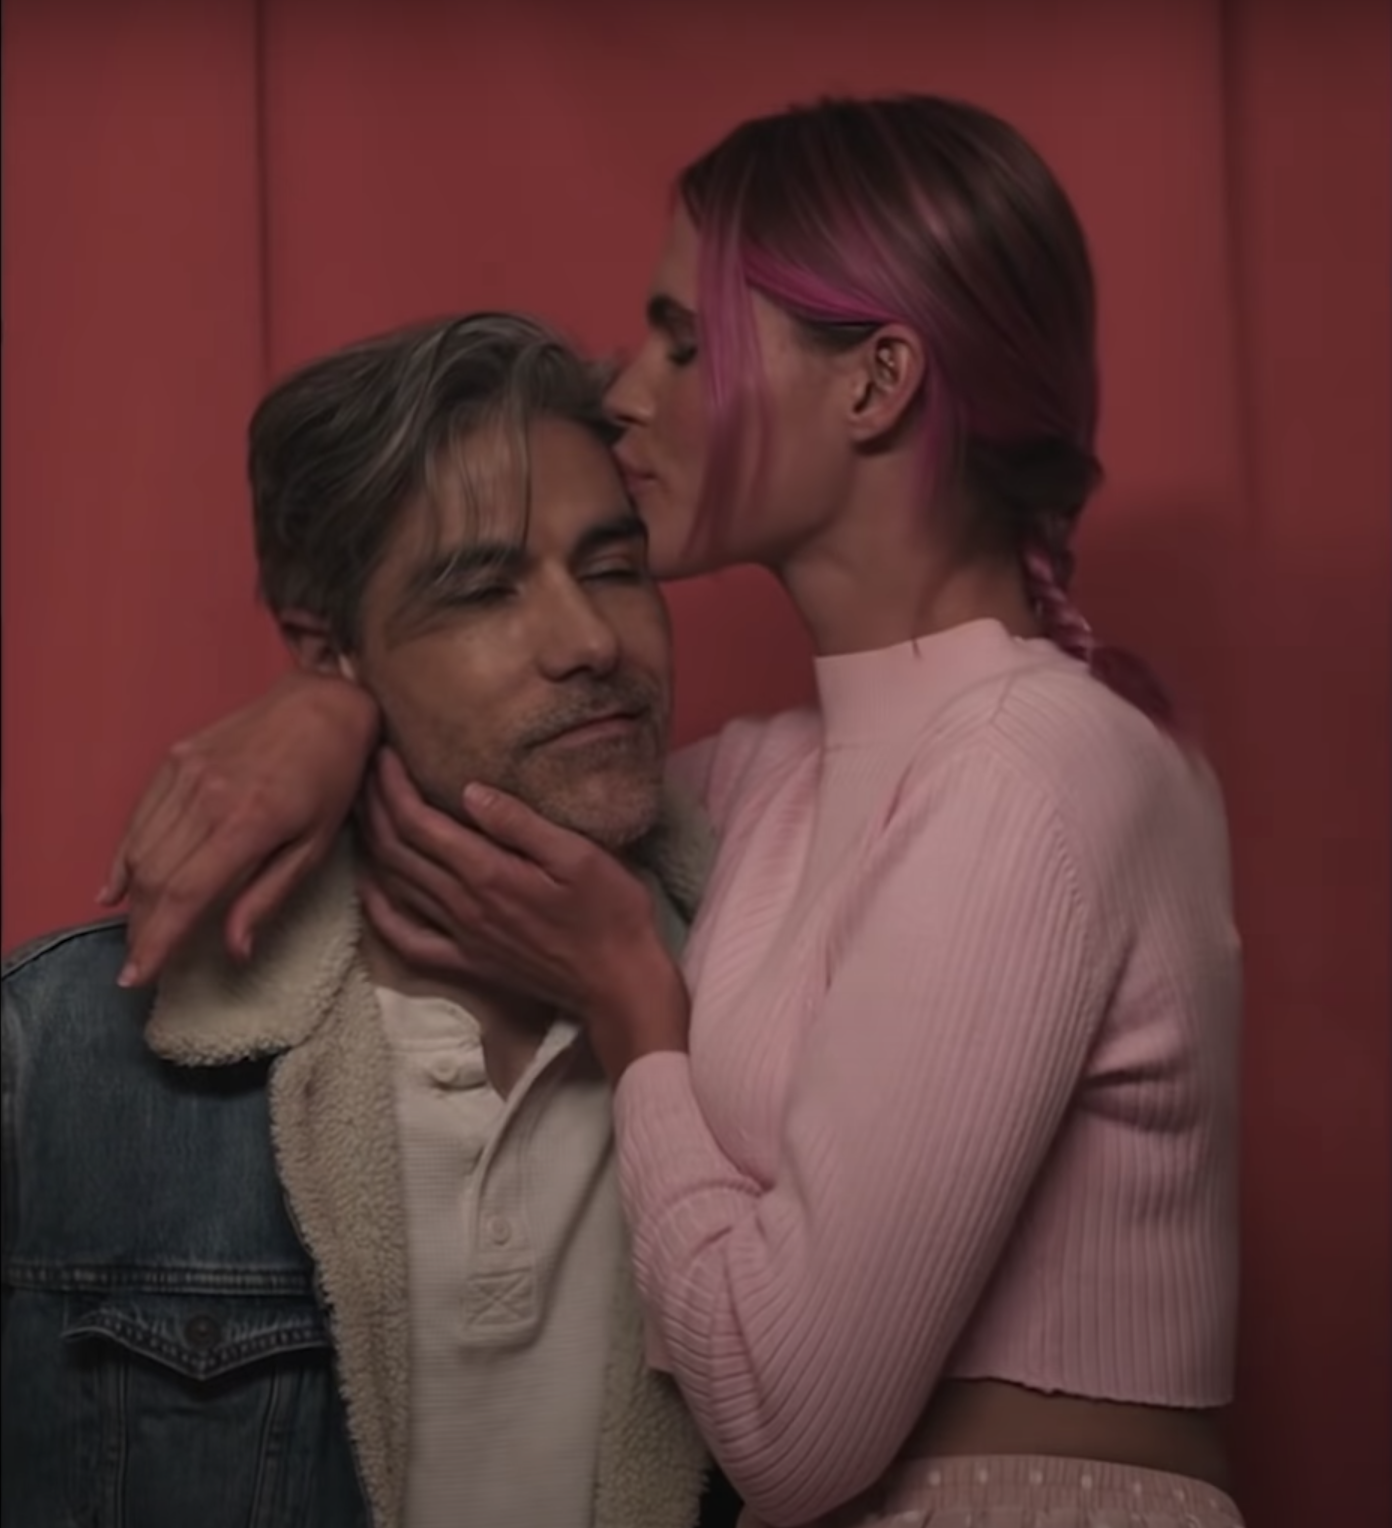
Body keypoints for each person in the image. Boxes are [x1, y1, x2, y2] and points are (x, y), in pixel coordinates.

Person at [98, 96, 1245, 1528]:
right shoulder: (776, 781)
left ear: (877, 383)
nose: (628, 394)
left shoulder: (1030, 764)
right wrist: (324, 707)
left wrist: (635, 1007)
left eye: (686, 344)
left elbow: (791, 1431)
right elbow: (497, 777)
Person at [1, 314, 744, 1528]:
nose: (591, 641)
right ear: (327, 652)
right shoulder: (59, 1057)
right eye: (483, 591)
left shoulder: (786, 986)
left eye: (615, 568)